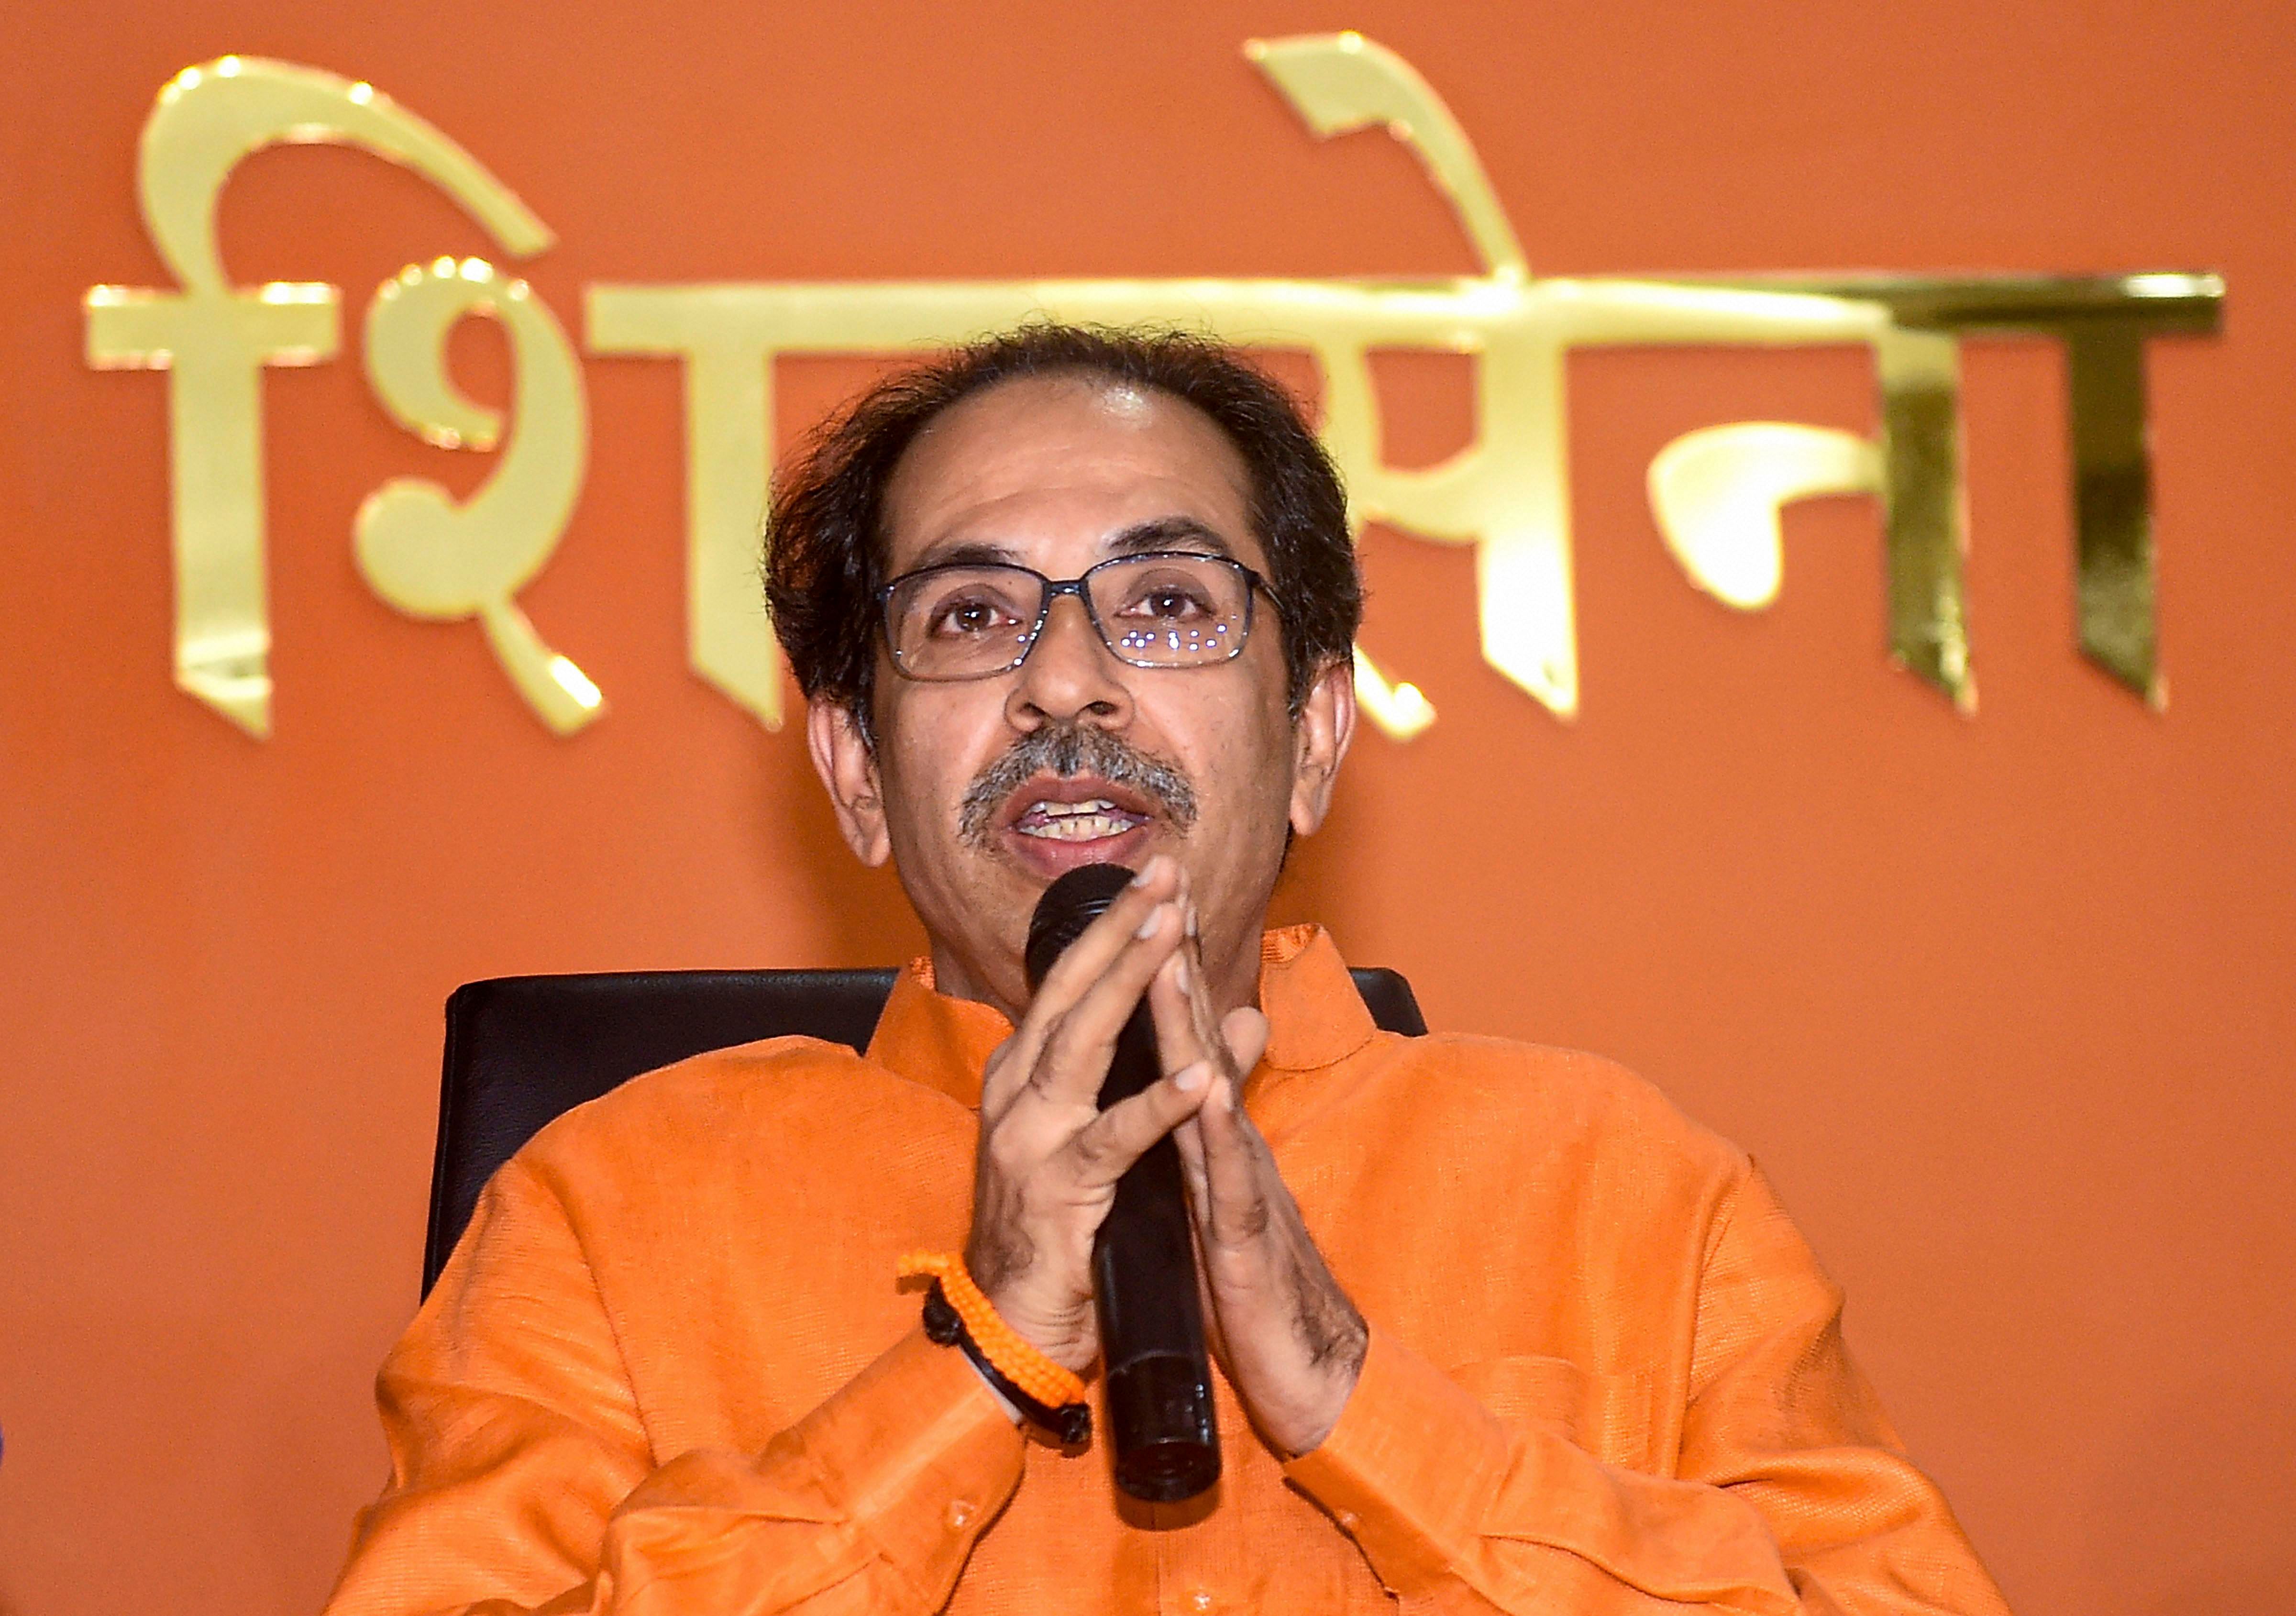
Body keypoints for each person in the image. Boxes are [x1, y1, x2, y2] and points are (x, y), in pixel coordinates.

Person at [323, 325, 2010, 1615]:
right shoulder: (608, 1210)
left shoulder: (1631, 1187)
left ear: (1315, 735)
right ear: (851, 764)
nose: (1068, 683)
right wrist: (970, 1364)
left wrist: (1365, 1402)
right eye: (974, 617)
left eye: (1167, 604)